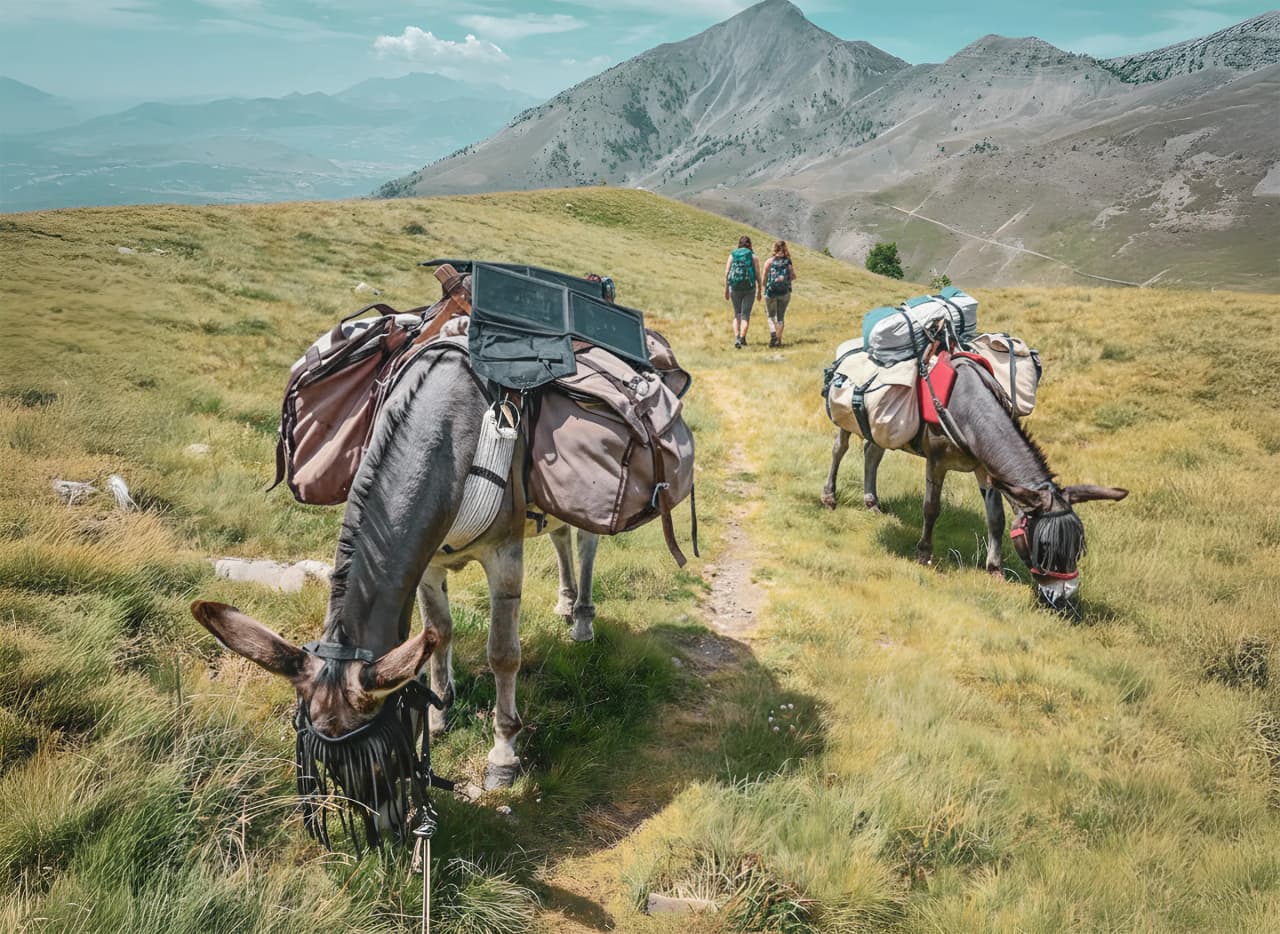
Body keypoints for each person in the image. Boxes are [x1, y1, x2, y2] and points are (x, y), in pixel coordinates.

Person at [724, 235, 762, 349]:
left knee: (737, 314)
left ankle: (737, 338)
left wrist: (726, 288)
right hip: (749, 288)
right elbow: (757, 275)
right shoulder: (753, 257)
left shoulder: (732, 255)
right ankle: (742, 338)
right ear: (750, 245)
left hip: (734, 287)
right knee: (745, 314)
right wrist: (760, 289)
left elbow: (727, 273)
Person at [761, 240, 797, 347]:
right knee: (780, 317)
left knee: (771, 315)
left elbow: (764, 277)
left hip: (771, 292)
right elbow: (793, 276)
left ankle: (773, 334)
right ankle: (778, 341)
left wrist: (764, 288)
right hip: (784, 293)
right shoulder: (788, 262)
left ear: (774, 249)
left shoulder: (769, 261)